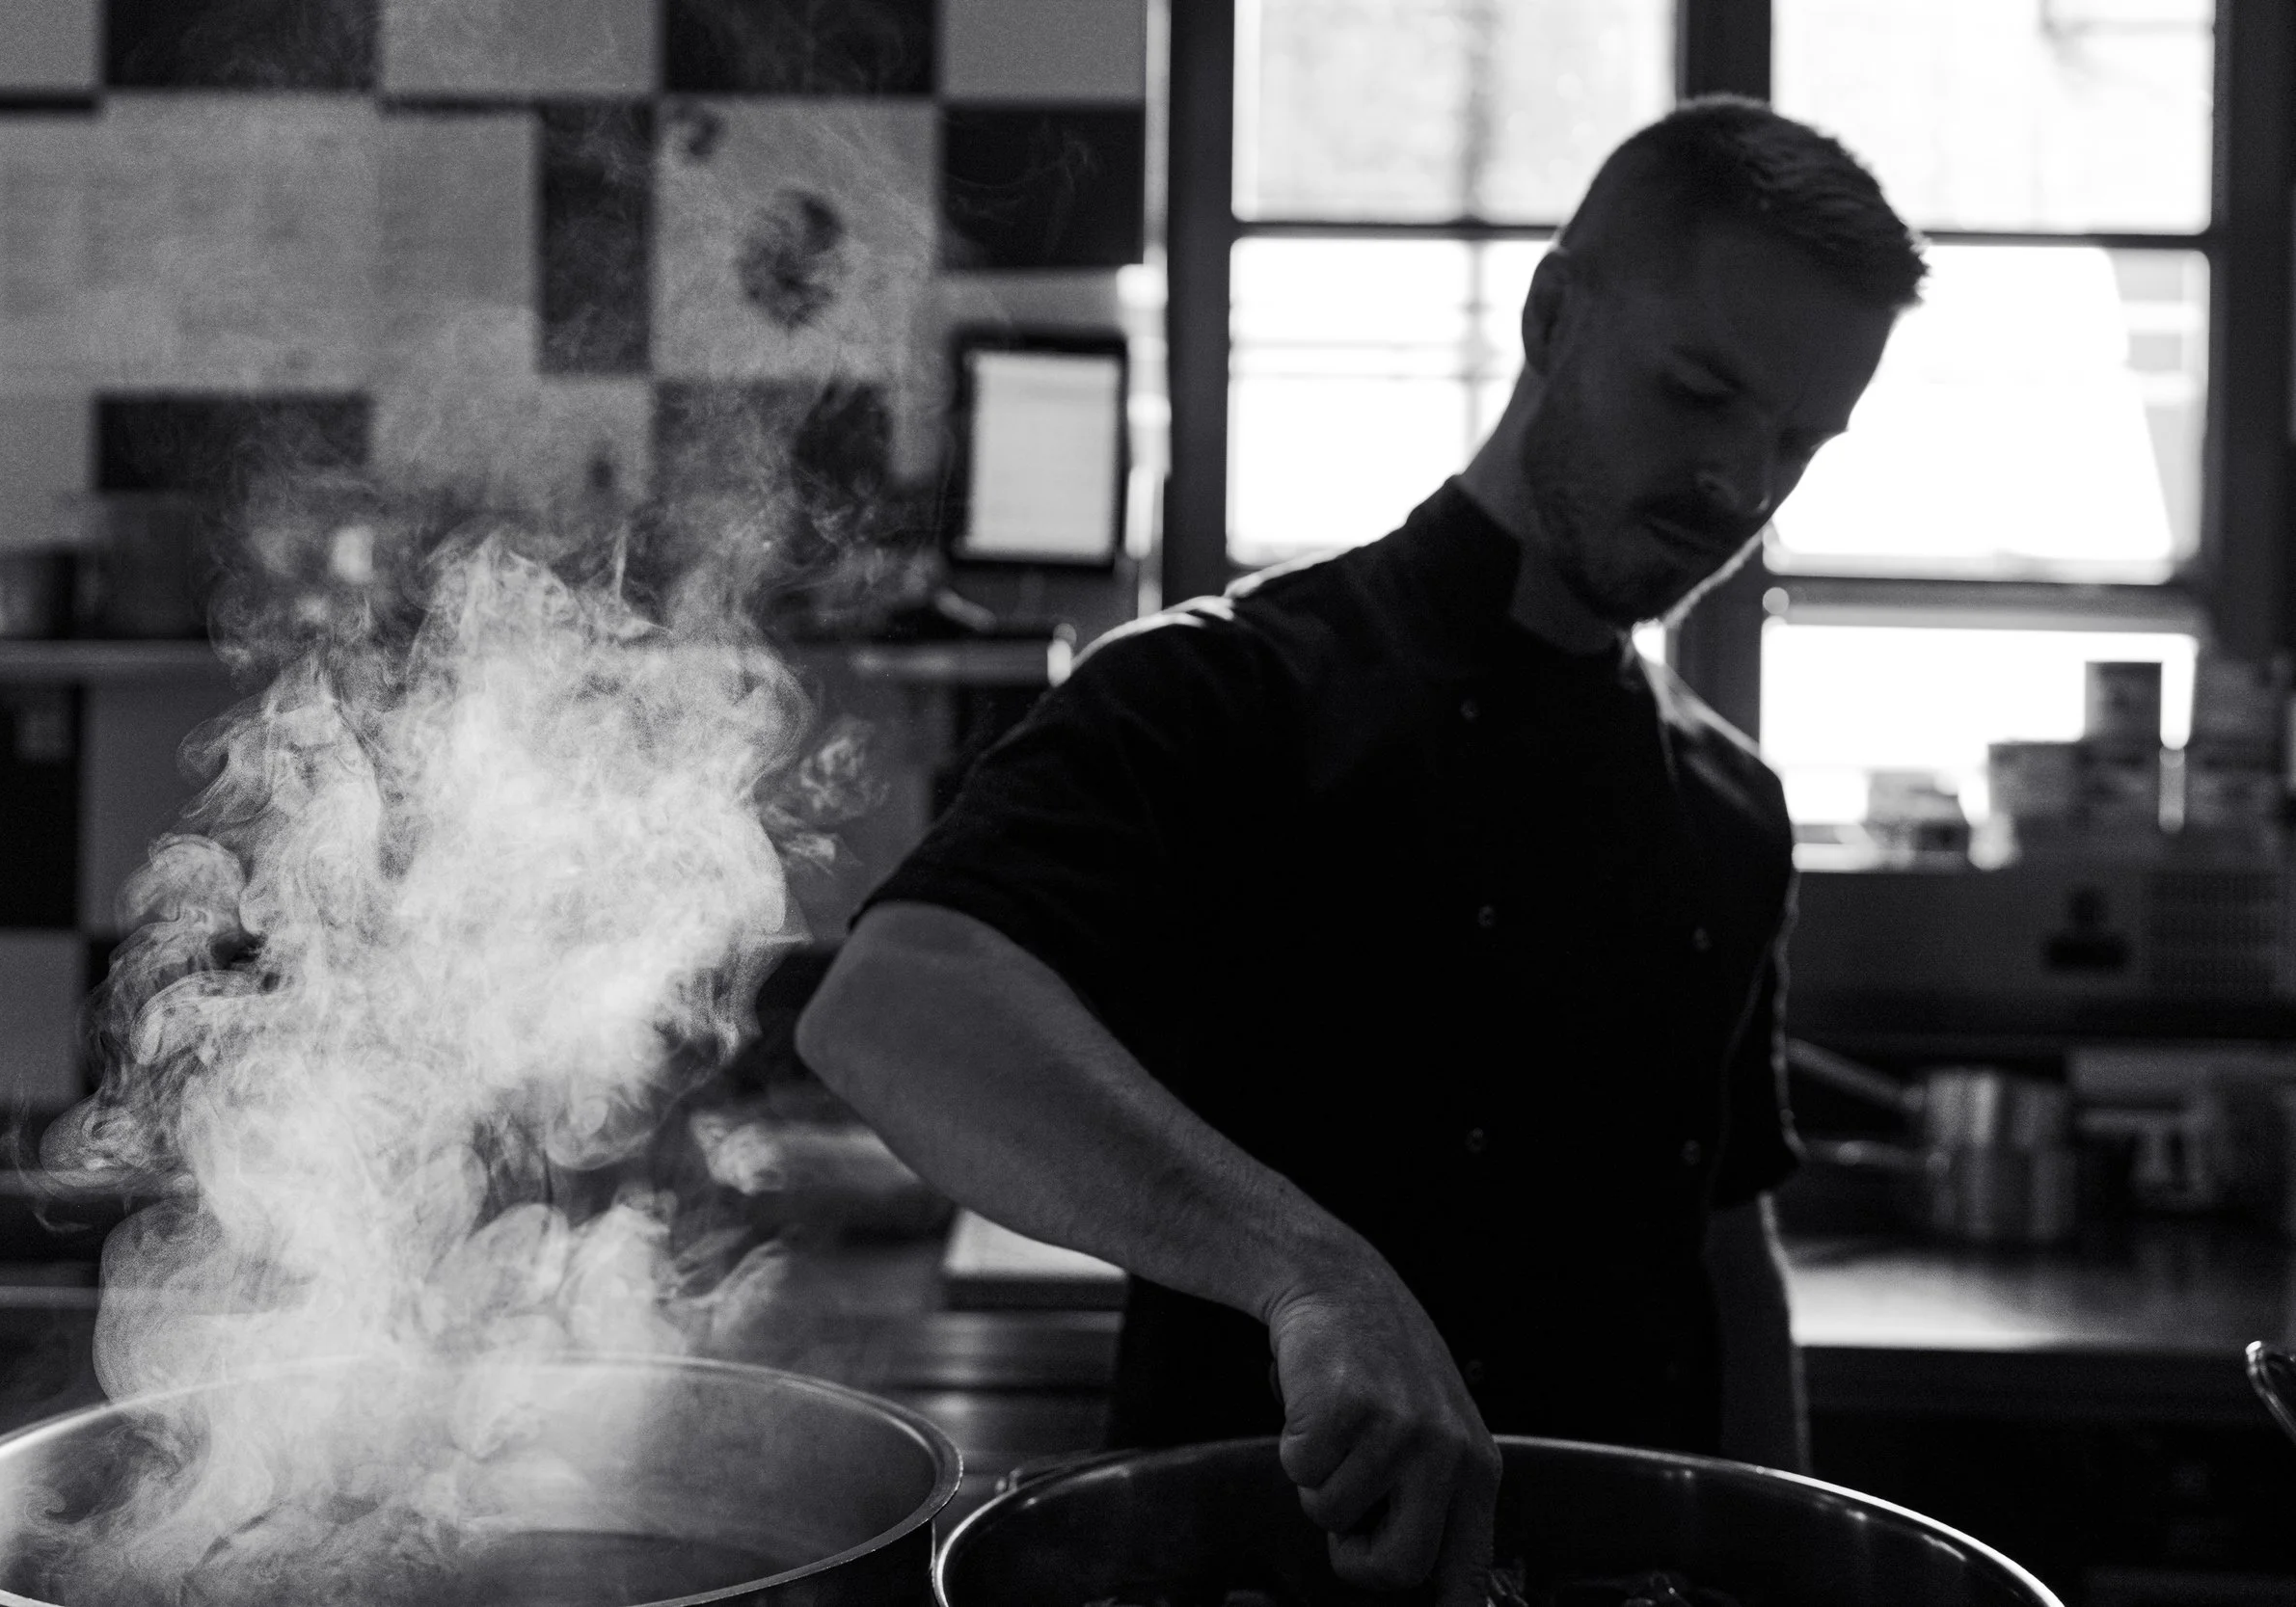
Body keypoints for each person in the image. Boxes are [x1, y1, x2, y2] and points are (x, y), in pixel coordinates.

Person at [797, 95, 1923, 1606]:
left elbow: (1724, 1240)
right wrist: (1311, 1269)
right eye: (1700, 392)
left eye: (1800, 437)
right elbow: (891, 1001)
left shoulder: (1730, 806)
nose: (1744, 483)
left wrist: (1787, 1555)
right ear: (1553, 315)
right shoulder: (1229, 688)